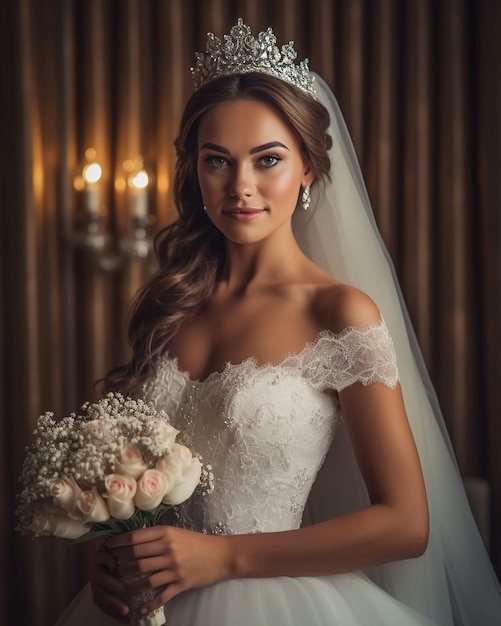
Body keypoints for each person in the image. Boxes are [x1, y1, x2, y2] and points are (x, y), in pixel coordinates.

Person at [56, 19, 501, 626]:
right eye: (218, 161)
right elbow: (140, 483)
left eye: (268, 160)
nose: (241, 186)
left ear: (309, 170)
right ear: (195, 172)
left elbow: (406, 523)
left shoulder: (338, 312)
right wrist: (110, 557)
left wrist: (225, 558)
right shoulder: (174, 305)